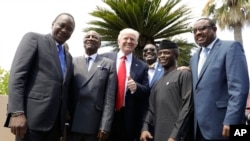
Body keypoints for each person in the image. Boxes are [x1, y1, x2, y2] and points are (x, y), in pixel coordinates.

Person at [4, 13, 75, 141]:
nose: (64, 30)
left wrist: (63, 123)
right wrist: (16, 113)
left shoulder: (69, 58)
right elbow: (17, 76)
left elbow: (65, 90)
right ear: (53, 23)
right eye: (62, 25)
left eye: (69, 29)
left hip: (55, 127)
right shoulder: (34, 39)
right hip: (30, 122)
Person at [190, 17, 249, 141]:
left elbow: (239, 88)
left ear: (214, 29)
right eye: (194, 31)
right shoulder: (194, 58)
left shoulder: (231, 47)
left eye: (202, 28)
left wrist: (232, 120)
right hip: (199, 128)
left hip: (223, 124)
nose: (198, 33)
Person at [67, 30, 117, 141]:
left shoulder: (108, 64)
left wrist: (105, 126)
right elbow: (65, 91)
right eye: (87, 36)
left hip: (94, 123)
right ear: (83, 42)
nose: (90, 38)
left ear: (100, 44)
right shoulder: (72, 61)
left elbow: (109, 98)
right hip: (73, 120)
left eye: (94, 37)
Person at [140, 40, 194, 141]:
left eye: (167, 53)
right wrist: (145, 128)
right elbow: (151, 109)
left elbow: (187, 107)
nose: (162, 56)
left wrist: (175, 135)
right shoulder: (157, 83)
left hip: (177, 136)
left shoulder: (183, 74)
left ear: (176, 56)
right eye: (160, 53)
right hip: (158, 134)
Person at [102, 28, 149, 141]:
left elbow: (147, 90)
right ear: (118, 41)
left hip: (127, 117)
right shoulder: (103, 58)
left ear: (136, 44)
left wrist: (136, 87)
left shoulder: (142, 66)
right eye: (125, 38)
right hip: (104, 115)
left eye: (132, 39)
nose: (129, 41)